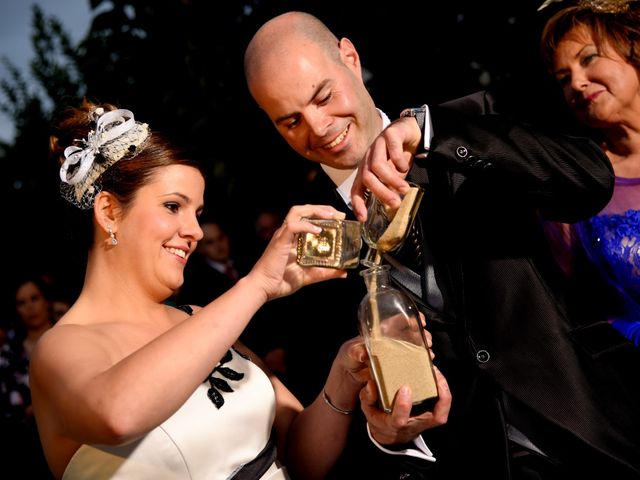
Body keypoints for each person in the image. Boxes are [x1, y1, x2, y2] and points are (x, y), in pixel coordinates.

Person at [245, 10, 640, 478]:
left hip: (596, 430)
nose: (319, 127)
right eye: (290, 121)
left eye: (324, 96)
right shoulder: (299, 239)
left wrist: (430, 133)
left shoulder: (466, 124)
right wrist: (390, 438)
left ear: (350, 58)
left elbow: (588, 180)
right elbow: (325, 411)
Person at [30, 99, 450, 480]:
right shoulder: (59, 350)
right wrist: (258, 285)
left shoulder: (200, 318)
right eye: (173, 206)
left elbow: (300, 457)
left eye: (197, 213)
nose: (193, 231)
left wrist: (342, 378)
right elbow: (117, 414)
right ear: (108, 212)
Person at [538, 0, 640, 347]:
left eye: (588, 58)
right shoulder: (574, 186)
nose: (577, 84)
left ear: (633, 48)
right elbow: (569, 312)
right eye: (563, 79)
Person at [1, 274, 56, 479]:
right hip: (27, 446)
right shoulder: (8, 354)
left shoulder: (69, 335)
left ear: (46, 300)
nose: (30, 307)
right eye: (22, 303)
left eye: (35, 298)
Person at [178, 219, 243, 306]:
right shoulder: (198, 284)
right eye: (210, 242)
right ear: (200, 249)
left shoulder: (247, 262)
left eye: (220, 238)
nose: (218, 245)